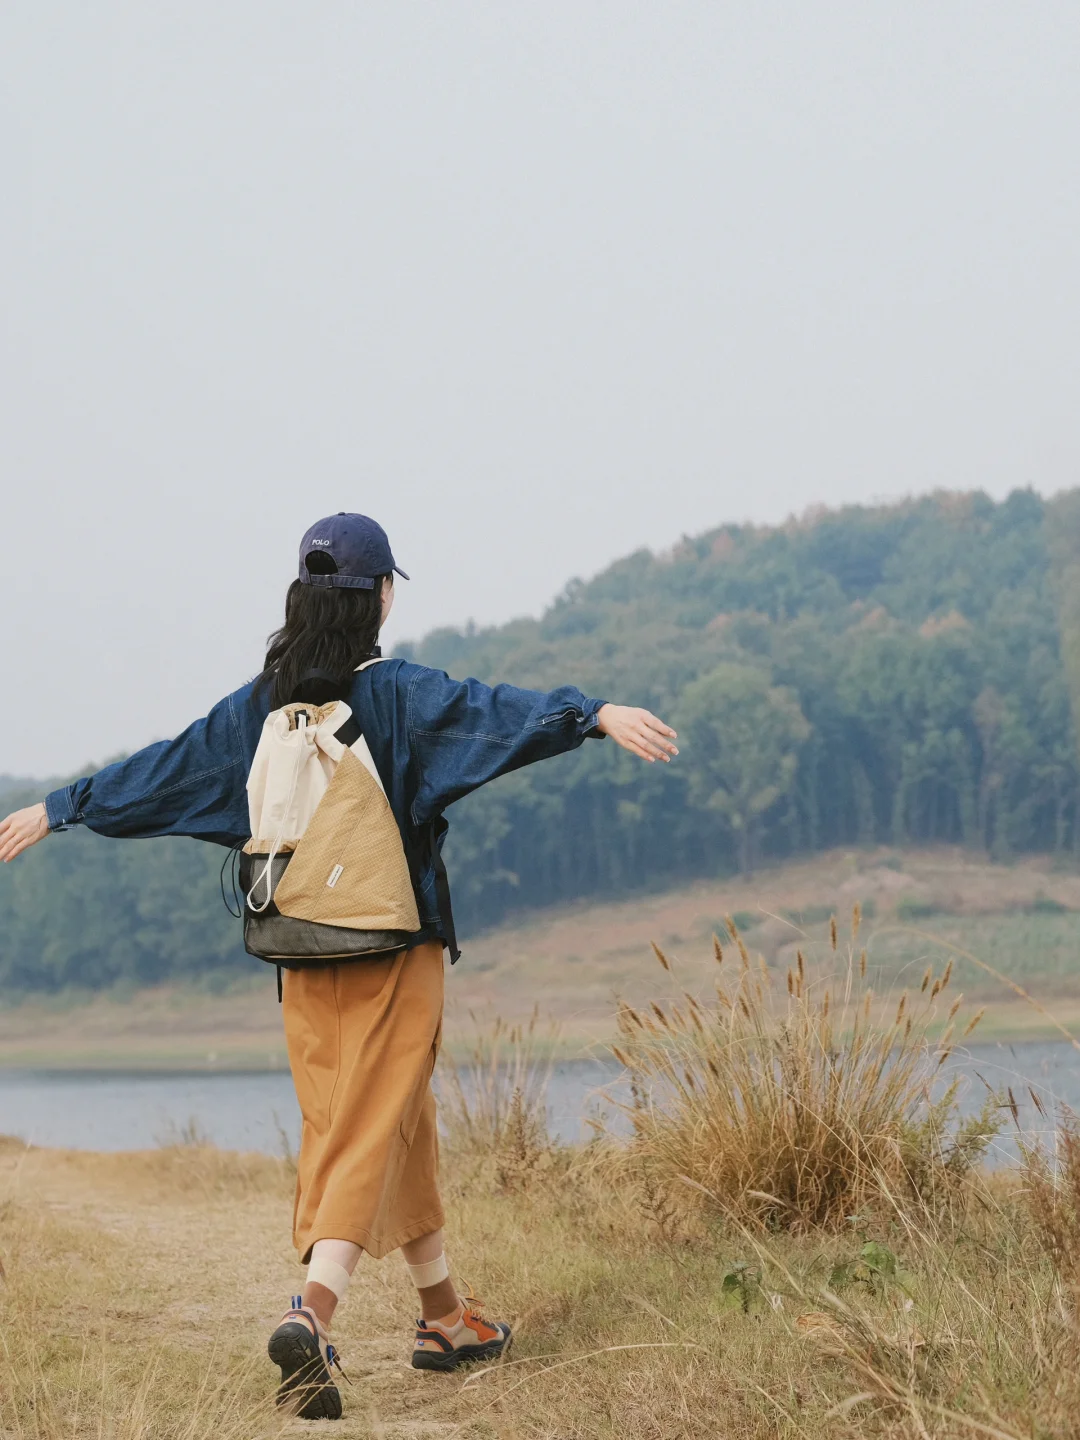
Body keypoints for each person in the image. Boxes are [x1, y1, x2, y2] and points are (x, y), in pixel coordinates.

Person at [0, 512, 678, 1420]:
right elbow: (489, 714)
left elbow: (164, 772)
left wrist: (63, 806)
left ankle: (446, 1320)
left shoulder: (259, 710)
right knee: (368, 1126)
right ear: (382, 595)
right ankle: (312, 1316)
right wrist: (588, 714)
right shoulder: (394, 694)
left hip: (297, 950)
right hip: (394, 949)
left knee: (389, 1124)